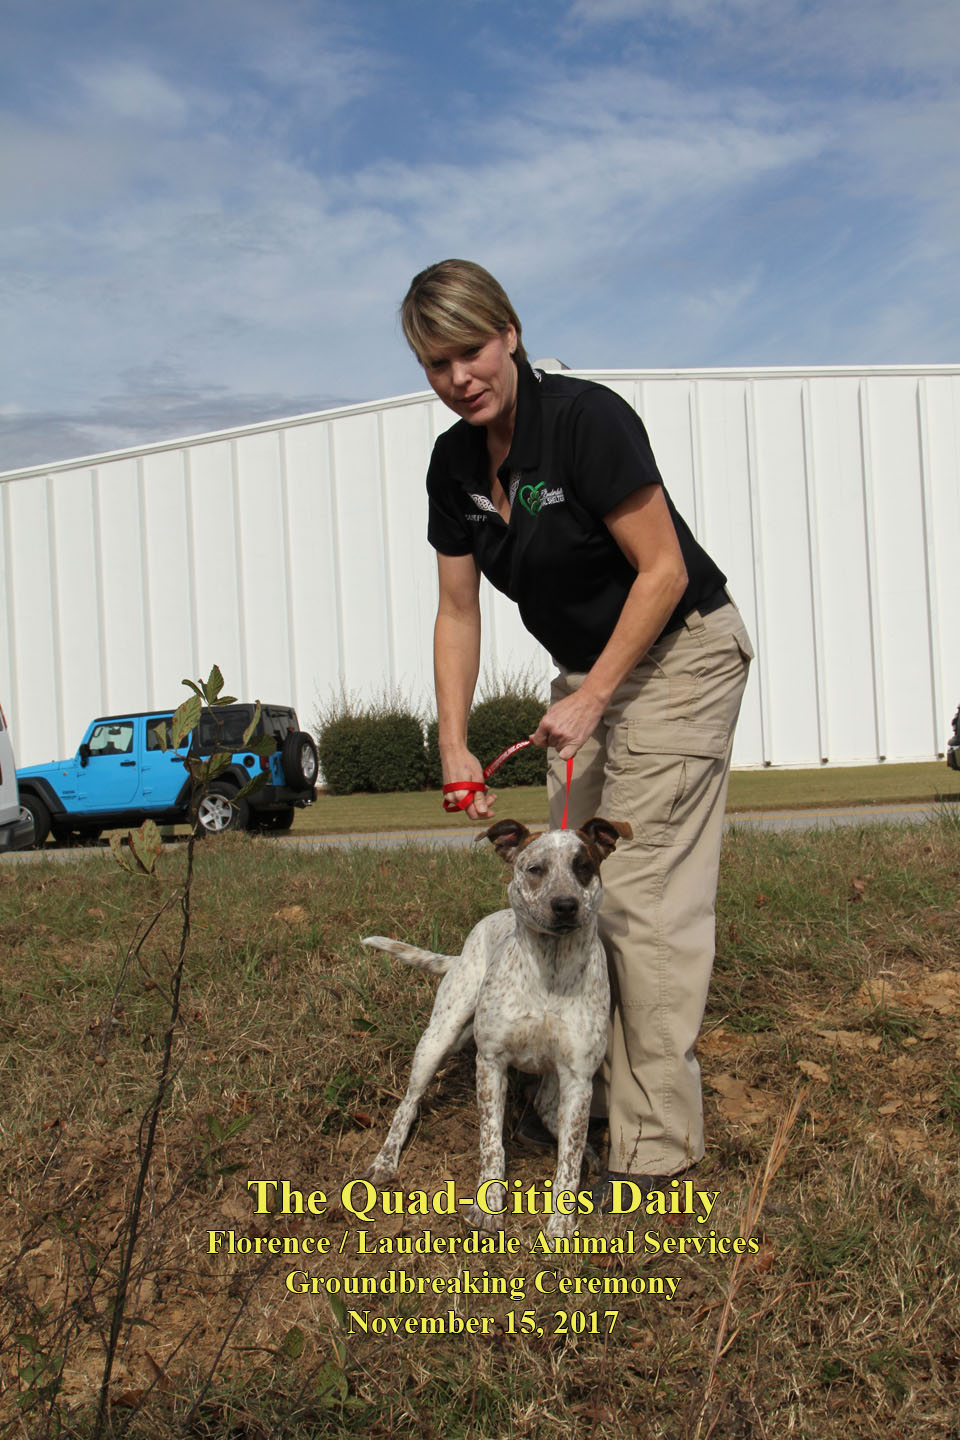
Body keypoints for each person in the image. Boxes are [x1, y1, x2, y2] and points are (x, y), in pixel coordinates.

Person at [400, 258, 753, 1195]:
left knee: (635, 900)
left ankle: (652, 1155)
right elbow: (457, 610)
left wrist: (595, 693)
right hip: (590, 676)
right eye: (436, 362)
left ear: (509, 334)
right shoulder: (452, 465)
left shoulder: (586, 421)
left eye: (470, 350)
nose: (459, 376)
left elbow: (664, 570)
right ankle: (576, 1099)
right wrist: (453, 742)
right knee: (564, 883)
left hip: (678, 654)